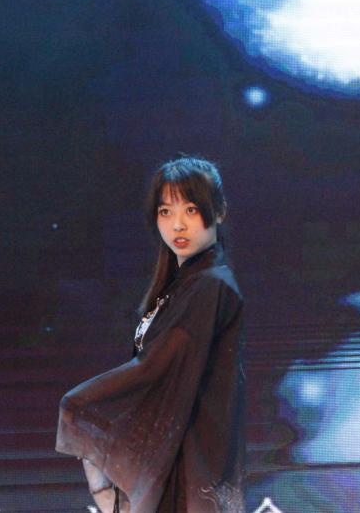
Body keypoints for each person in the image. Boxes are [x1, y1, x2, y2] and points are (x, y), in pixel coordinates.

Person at [57, 157, 245, 513]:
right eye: (165, 211)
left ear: (219, 212)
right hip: (183, 466)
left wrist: (79, 406)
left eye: (191, 209)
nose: (177, 224)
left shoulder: (212, 285)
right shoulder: (179, 287)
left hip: (195, 472)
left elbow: (155, 368)